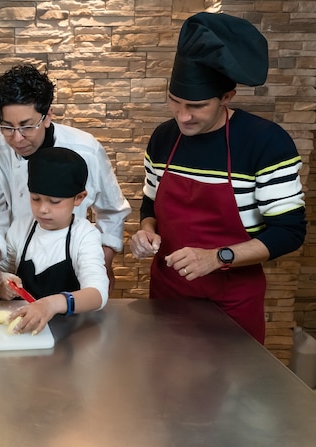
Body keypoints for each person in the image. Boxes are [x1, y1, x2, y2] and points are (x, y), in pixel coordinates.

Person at [129, 12, 307, 344]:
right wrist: (146, 231)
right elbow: (150, 204)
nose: (183, 116)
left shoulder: (265, 142)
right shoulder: (164, 138)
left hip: (231, 306)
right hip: (167, 298)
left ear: (226, 97)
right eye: (175, 101)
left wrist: (217, 256)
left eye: (196, 105)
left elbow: (289, 233)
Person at [0, 64, 130, 306]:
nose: (17, 138)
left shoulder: (85, 149)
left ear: (48, 115)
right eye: (7, 127)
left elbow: (112, 211)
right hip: (19, 279)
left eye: (26, 125)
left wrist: (101, 263)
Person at [0, 147, 108, 335]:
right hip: (23, 332)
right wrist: (2, 281)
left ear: (79, 198)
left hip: (71, 335)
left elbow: (98, 294)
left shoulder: (85, 235)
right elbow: (2, 270)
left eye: (54, 201)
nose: (42, 209)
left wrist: (51, 304)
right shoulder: (21, 228)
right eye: (35, 199)